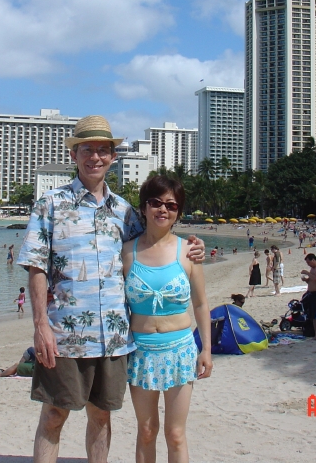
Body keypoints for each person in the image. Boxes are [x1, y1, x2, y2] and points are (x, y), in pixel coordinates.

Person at [16, 115, 205, 463]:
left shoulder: (124, 211)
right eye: (87, 149)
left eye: (103, 150)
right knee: (54, 415)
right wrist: (40, 324)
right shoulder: (51, 204)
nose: (95, 157)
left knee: (101, 417)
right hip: (64, 335)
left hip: (114, 338)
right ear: (74, 155)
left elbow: (156, 242)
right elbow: (36, 266)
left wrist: (194, 247)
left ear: (113, 157)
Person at [122, 175, 212, 463]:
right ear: (144, 207)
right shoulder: (127, 252)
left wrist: (206, 349)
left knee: (175, 434)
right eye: (156, 203)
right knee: (147, 430)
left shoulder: (189, 251)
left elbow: (201, 303)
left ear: (178, 212)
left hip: (180, 351)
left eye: (171, 205)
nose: (163, 210)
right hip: (141, 352)